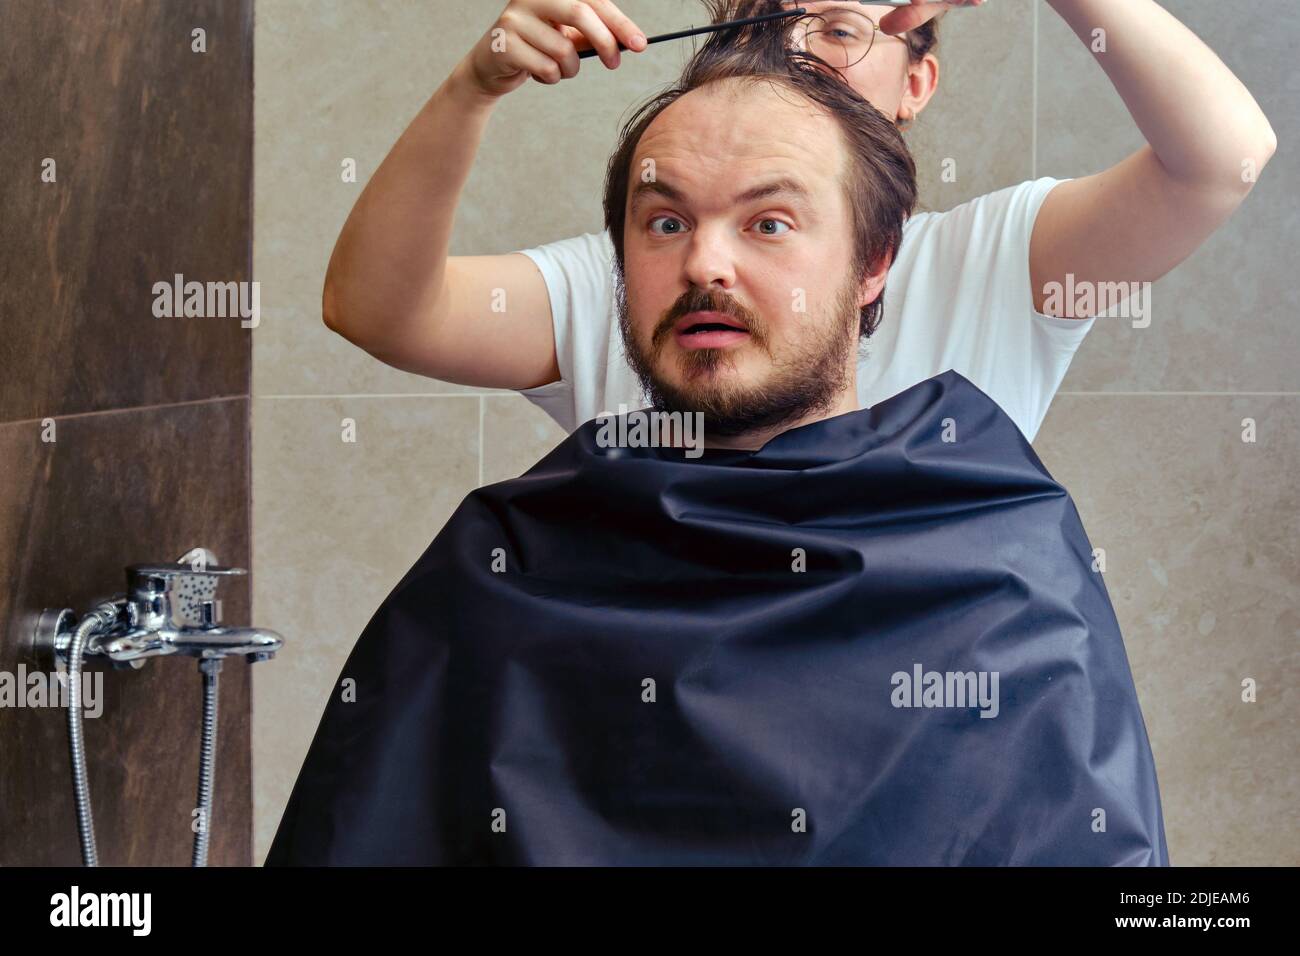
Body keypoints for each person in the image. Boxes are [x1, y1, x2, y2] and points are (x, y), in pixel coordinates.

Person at [268, 17, 1169, 864]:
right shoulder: (507, 566)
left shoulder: (1000, 562)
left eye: (769, 223)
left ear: (873, 261)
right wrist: (474, 84)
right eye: (665, 223)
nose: (704, 263)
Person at [320, 0, 1275, 442]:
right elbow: (378, 309)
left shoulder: (1000, 264)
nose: (789, 54)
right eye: (763, 20)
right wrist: (470, 90)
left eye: (838, 27)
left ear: (917, 83)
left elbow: (1220, 161)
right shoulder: (638, 281)